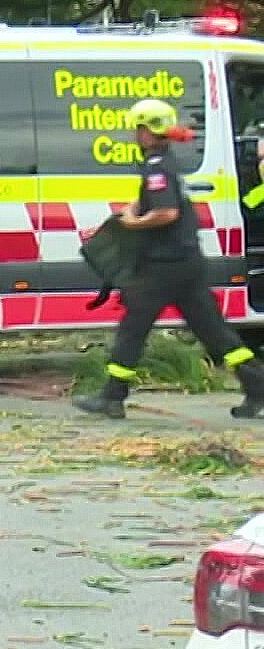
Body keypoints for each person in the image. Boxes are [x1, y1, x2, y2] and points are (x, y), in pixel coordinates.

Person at [75, 99, 264, 419]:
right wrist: (122, 217)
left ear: (150, 131)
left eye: (140, 128)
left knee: (133, 327)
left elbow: (166, 212)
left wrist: (134, 223)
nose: (136, 134)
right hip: (186, 262)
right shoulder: (165, 162)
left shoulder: (155, 166)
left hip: (164, 266)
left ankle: (111, 396)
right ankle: (257, 388)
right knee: (215, 333)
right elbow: (151, 203)